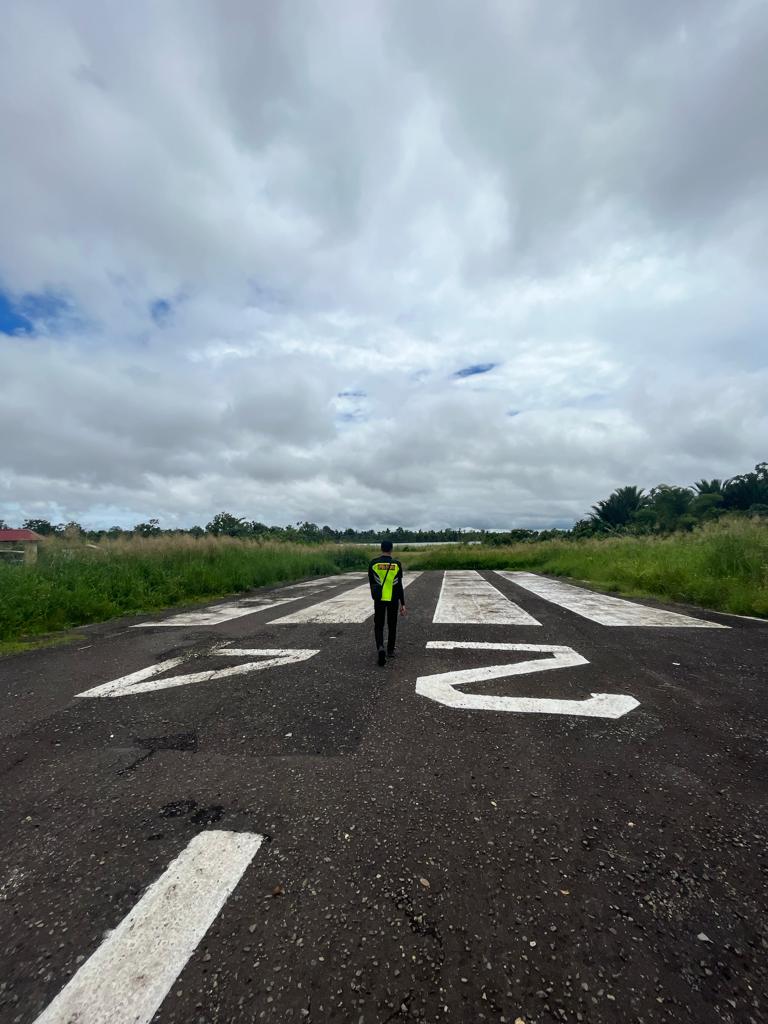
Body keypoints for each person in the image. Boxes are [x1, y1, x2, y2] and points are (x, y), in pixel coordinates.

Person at [368, 539, 406, 666]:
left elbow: (372, 583)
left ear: (381, 548)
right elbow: (399, 585)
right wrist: (403, 604)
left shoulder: (373, 564)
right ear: (391, 549)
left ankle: (380, 647)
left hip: (379, 599)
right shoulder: (397, 564)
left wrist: (375, 596)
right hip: (393, 599)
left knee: (378, 625)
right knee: (392, 624)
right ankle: (390, 650)